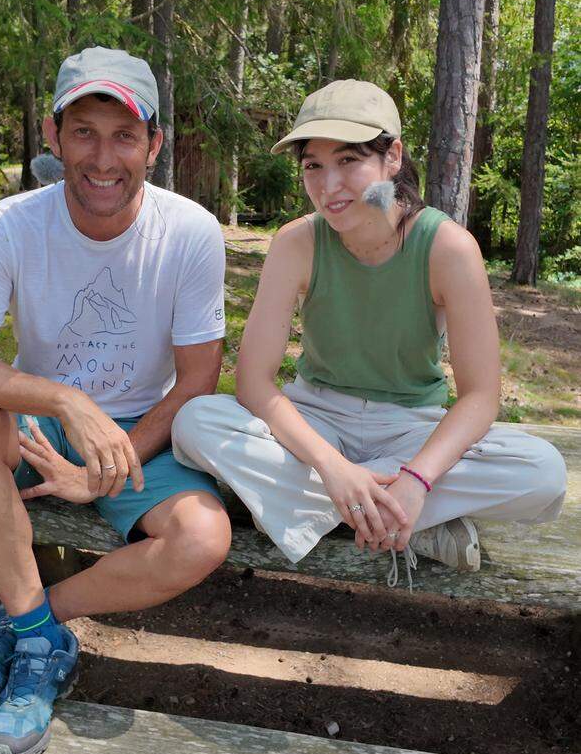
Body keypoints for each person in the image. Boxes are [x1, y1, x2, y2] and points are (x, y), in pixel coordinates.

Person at [0, 46, 231, 754]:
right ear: (53, 135)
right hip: (38, 421)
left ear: (153, 145)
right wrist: (65, 399)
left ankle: (31, 624)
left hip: (139, 428)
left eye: (125, 135)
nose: (103, 157)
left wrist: (110, 463)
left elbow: (195, 382)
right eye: (84, 132)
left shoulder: (188, 232)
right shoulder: (8, 224)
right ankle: (38, 655)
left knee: (201, 537)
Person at [172, 80, 566, 588]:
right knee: (196, 422)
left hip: (410, 429)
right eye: (313, 164)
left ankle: (348, 507)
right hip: (316, 420)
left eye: (348, 160)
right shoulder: (297, 242)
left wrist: (418, 477)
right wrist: (334, 467)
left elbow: (481, 396)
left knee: (541, 472)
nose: (328, 185)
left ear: (393, 157)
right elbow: (253, 383)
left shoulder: (447, 248)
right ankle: (405, 519)